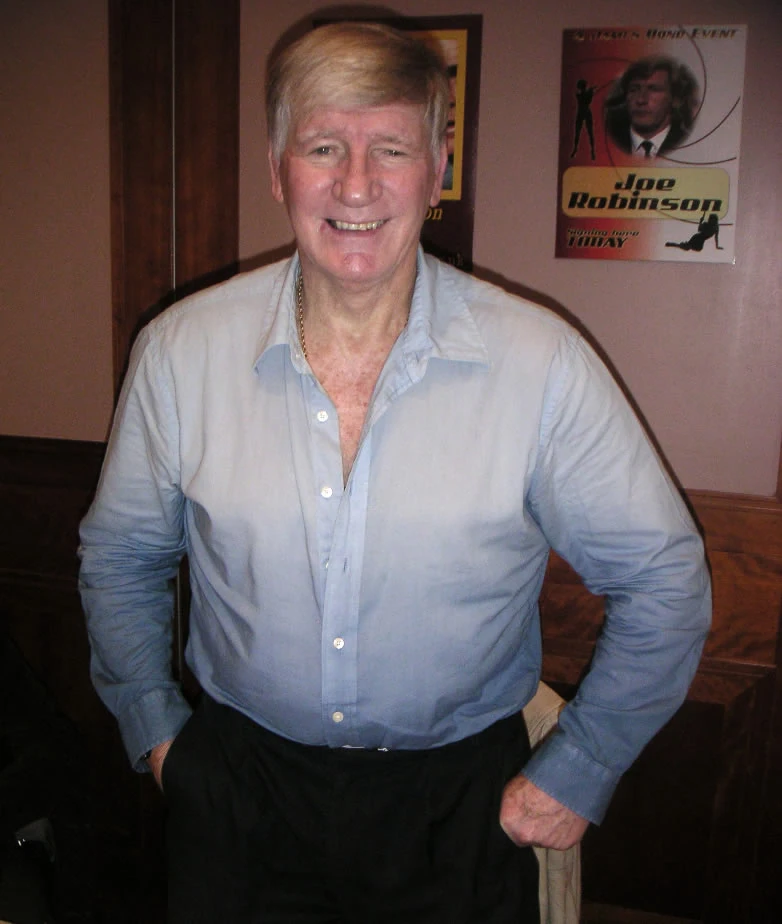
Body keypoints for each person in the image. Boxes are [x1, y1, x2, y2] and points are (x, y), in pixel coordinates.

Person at [79, 21, 711, 924]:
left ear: (437, 166)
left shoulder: (540, 363)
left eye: (391, 148)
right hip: (238, 794)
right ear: (278, 169)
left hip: (455, 814)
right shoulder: (180, 352)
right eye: (323, 147)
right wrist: (158, 735)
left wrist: (581, 767)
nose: (356, 184)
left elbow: (663, 579)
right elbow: (120, 556)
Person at [604, 55, 699, 157]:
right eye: (634, 89)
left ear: (674, 99)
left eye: (654, 89)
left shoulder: (692, 145)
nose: (641, 100)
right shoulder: (606, 140)